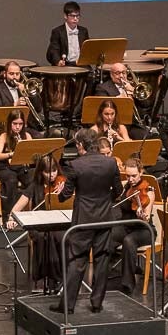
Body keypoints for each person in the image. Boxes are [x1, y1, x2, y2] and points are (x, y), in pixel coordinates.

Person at [53, 128, 121, 314]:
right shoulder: (111, 163)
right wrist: (106, 199)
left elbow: (65, 194)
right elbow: (118, 191)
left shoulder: (75, 165)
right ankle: (97, 303)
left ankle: (67, 305)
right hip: (104, 218)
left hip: (83, 219)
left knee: (77, 260)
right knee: (102, 260)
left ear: (81, 145)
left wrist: (60, 195)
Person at [6, 154, 67, 293]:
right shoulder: (35, 186)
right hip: (39, 224)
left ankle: (55, 278)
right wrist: (11, 218)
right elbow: (17, 207)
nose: (52, 175)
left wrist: (64, 194)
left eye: (54, 171)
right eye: (47, 171)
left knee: (54, 236)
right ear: (41, 172)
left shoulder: (63, 184)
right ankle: (46, 278)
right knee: (43, 236)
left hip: (58, 223)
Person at [111, 157, 155, 294]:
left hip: (144, 229)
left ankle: (127, 285)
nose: (130, 179)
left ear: (141, 172)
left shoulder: (148, 191)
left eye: (134, 176)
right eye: (128, 176)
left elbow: (146, 217)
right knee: (106, 234)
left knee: (128, 241)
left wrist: (143, 215)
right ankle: (103, 278)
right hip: (127, 226)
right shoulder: (127, 188)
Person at [0, 110, 35, 216]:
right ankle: (10, 213)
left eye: (20, 124)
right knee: (11, 179)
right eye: (15, 124)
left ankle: (33, 209)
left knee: (34, 178)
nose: (17, 127)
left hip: (20, 167)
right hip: (4, 167)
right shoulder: (4, 136)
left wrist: (23, 148)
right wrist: (12, 154)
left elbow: (32, 155)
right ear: (10, 123)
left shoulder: (27, 136)